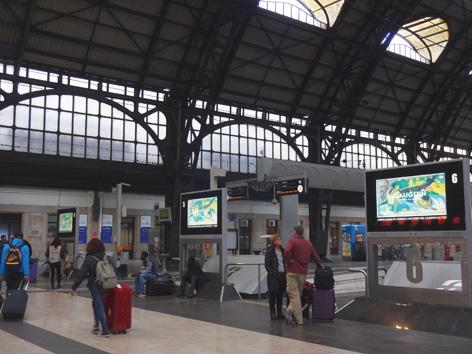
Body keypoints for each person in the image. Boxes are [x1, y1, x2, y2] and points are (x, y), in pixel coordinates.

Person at [70, 239, 110, 338]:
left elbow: (82, 275)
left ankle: (105, 330)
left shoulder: (89, 259)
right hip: (106, 284)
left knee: (98, 304)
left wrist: (74, 287)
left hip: (95, 285)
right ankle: (96, 326)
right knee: (96, 303)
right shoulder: (107, 257)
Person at [284, 226, 321, 325]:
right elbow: (315, 255)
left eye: (292, 231)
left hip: (292, 272)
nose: (292, 232)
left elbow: (286, 251)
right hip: (303, 273)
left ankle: (299, 320)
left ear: (295, 232)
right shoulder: (308, 243)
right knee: (298, 295)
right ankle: (289, 310)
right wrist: (319, 265)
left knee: (294, 295)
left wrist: (288, 262)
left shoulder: (292, 241)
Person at [264, 234, 286, 320]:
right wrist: (271, 273)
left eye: (280, 239)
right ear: (274, 241)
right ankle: (272, 312)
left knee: (280, 295)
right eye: (278, 239)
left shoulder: (282, 250)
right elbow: (267, 264)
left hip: (282, 275)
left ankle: (279, 312)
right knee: (272, 295)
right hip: (273, 276)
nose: (280, 241)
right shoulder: (270, 251)